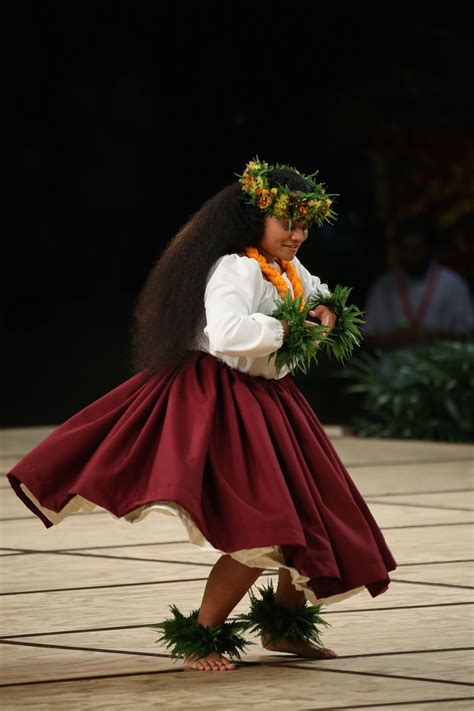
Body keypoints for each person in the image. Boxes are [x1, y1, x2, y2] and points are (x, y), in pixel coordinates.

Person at [7, 158, 397, 673]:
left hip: (271, 401)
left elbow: (317, 294)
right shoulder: (234, 267)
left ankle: (283, 626)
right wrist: (291, 329)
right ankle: (202, 635)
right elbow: (229, 333)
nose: (299, 233)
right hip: (222, 400)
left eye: (305, 224)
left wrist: (327, 311)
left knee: (310, 513)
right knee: (262, 524)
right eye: (289, 221)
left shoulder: (285, 268)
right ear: (255, 217)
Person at [362, 217, 474, 354]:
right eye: (406, 250)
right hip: (393, 370)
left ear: (429, 248)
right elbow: (367, 336)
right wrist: (394, 338)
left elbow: (467, 334)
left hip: (441, 370)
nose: (412, 258)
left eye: (417, 250)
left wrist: (430, 335)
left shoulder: (453, 284)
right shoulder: (383, 286)